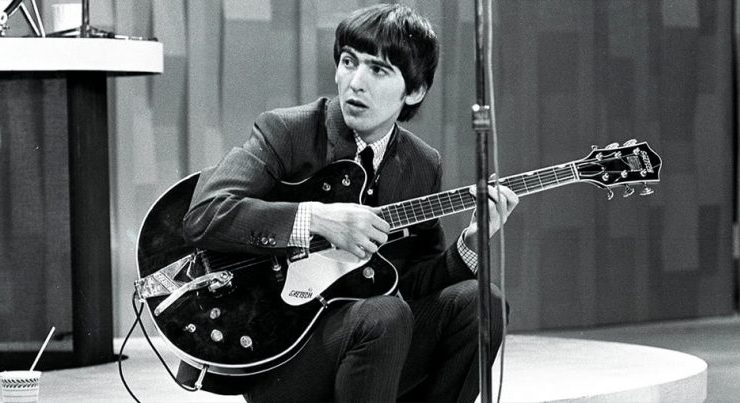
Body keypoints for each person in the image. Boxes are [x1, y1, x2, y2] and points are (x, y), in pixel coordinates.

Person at [176, 4, 519, 402]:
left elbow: (408, 282)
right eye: (348, 62)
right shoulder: (288, 131)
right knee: (383, 315)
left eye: (378, 70)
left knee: (482, 302)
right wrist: (316, 218)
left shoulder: (422, 164)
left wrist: (471, 247)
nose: (356, 83)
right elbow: (203, 215)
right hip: (280, 350)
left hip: (374, 342)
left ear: (415, 89)